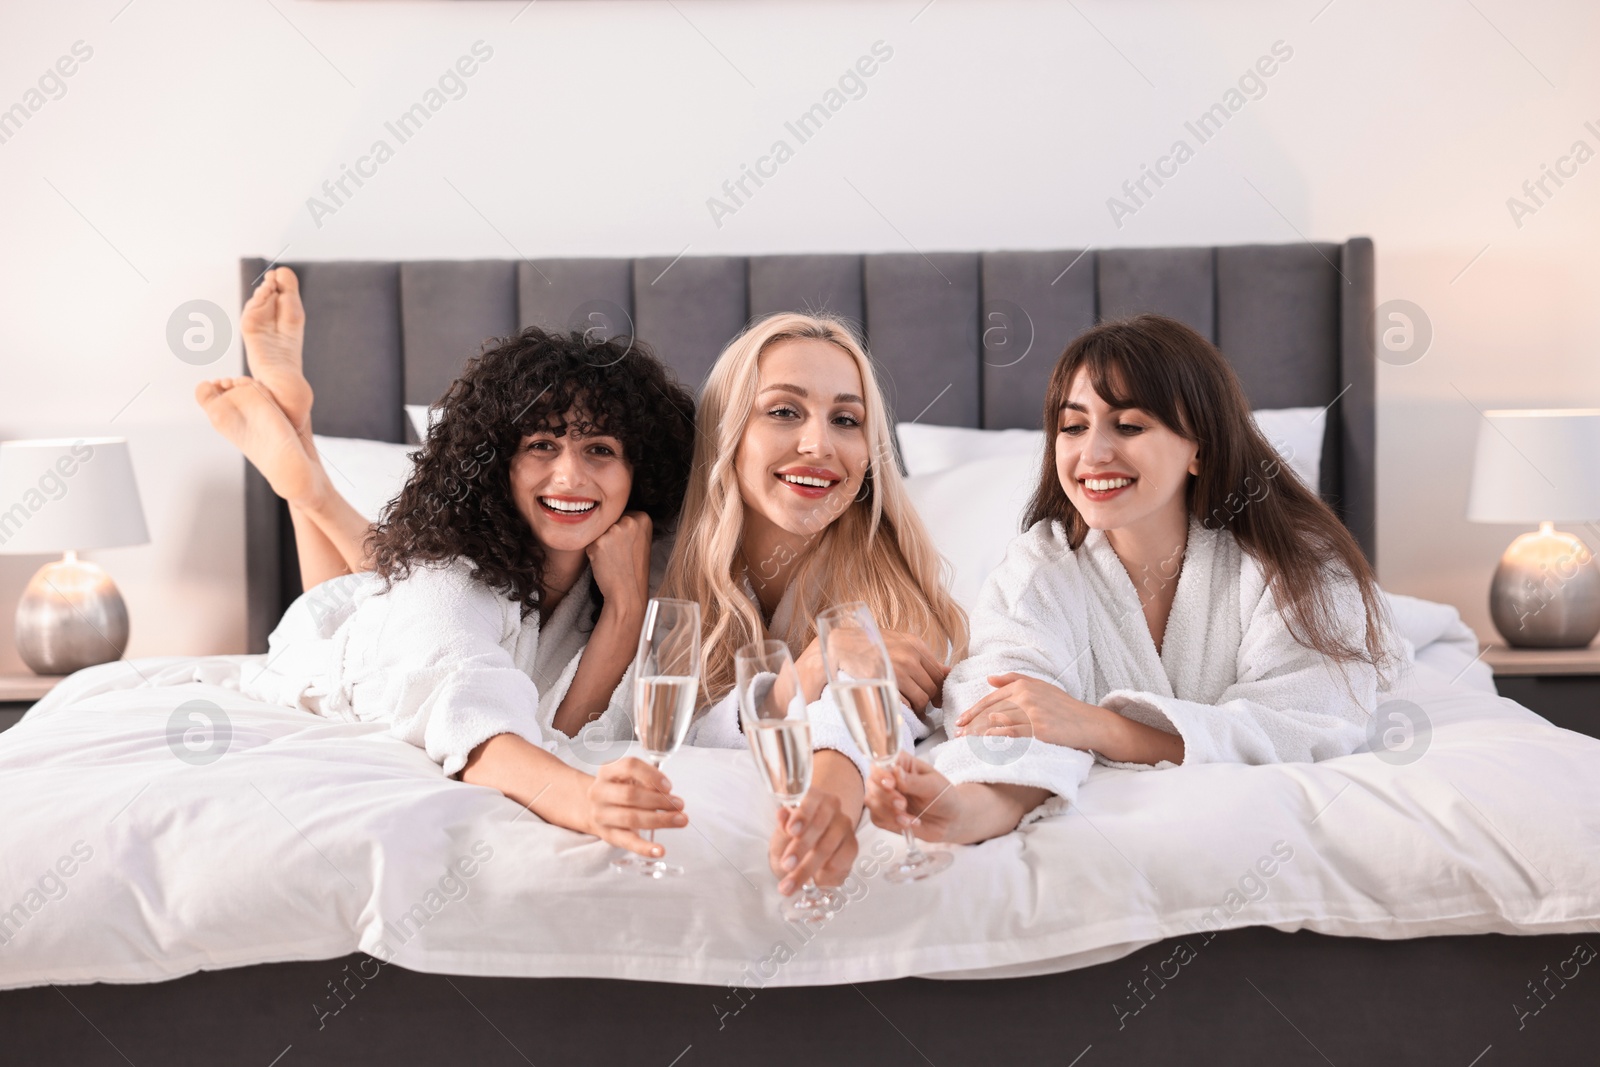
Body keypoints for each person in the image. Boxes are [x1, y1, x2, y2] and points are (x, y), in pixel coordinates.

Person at [196, 268, 700, 861]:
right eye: (541, 445)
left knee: (384, 575)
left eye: (600, 450)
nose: (571, 475)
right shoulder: (448, 584)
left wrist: (625, 604)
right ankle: (306, 487)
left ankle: (305, 470)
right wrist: (586, 800)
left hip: (391, 592)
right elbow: (481, 729)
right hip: (353, 655)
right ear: (497, 462)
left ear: (640, 471)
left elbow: (561, 726)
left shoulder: (633, 568)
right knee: (374, 599)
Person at [864, 313, 1397, 844]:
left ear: (1200, 447)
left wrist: (1100, 727)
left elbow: (1306, 722)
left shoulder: (1296, 564)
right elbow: (1011, 711)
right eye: (1073, 427)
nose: (1093, 454)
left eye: (1130, 426)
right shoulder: (1040, 569)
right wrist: (965, 809)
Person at [662, 311, 969, 894]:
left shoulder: (891, 579)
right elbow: (659, 728)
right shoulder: (663, 566)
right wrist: (809, 668)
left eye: (846, 420)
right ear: (727, 432)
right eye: (783, 411)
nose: (818, 444)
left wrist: (832, 787)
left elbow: (882, 713)